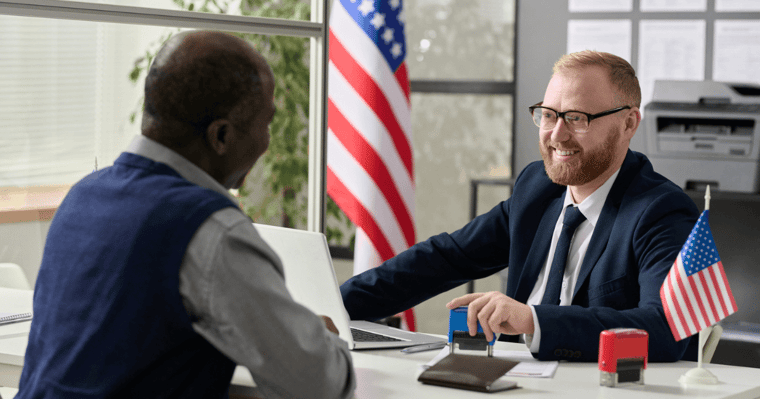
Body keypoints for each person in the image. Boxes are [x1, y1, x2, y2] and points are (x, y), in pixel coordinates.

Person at [18, 31, 355, 399]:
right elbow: (320, 385)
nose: (267, 142)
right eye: (267, 123)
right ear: (221, 136)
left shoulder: (83, 195)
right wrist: (318, 337)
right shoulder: (212, 232)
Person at [340, 50, 700, 362]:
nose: (557, 134)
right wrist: (329, 306)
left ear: (628, 123)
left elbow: (666, 328)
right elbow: (444, 258)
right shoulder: (537, 188)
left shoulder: (661, 211)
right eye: (548, 115)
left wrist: (533, 320)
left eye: (577, 118)